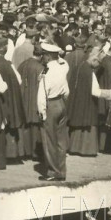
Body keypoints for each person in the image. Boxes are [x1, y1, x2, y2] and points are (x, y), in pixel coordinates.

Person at [37, 41, 70, 181]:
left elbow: (41, 94)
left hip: (50, 104)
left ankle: (52, 172)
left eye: (43, 55)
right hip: (61, 102)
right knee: (61, 140)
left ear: (48, 56)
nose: (42, 58)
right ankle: (61, 171)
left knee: (49, 140)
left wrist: (42, 111)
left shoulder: (46, 72)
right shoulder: (63, 67)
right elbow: (67, 91)